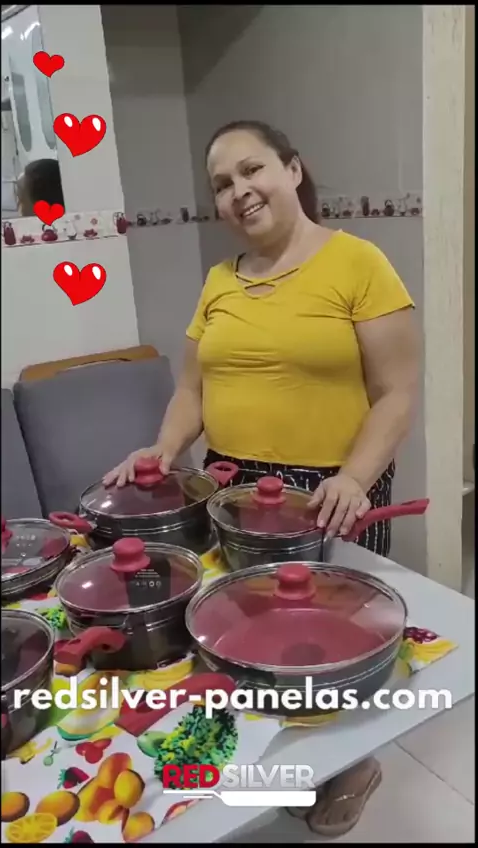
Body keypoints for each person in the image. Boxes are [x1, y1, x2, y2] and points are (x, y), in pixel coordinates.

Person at [104, 120, 420, 837]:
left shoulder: (358, 262)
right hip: (234, 492)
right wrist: (163, 449)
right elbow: (193, 389)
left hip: (328, 492)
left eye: (252, 170)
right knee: (253, 640)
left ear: (293, 169)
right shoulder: (220, 281)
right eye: (222, 184)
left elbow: (398, 392)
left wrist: (355, 478)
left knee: (330, 644)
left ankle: (352, 765)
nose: (239, 192)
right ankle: (280, 757)